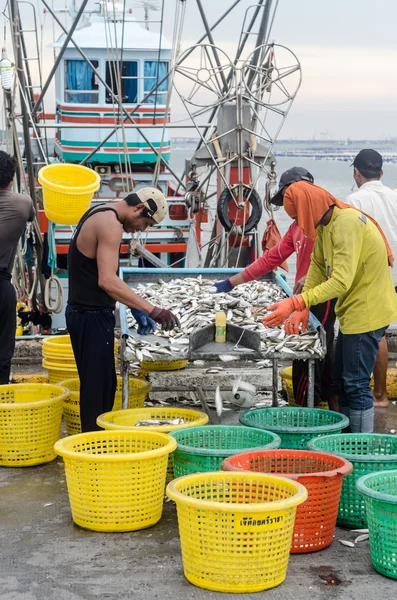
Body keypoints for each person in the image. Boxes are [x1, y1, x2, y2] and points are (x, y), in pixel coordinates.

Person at [263, 180, 397, 433]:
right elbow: (316, 266)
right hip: (352, 312)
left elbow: (340, 281)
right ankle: (348, 438)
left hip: (368, 311)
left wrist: (297, 301)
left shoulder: (346, 224)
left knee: (355, 384)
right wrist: (303, 307)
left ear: (309, 207)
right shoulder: (325, 225)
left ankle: (359, 446)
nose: (300, 225)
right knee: (341, 380)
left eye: (299, 217)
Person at [211, 167, 338, 409]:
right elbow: (271, 258)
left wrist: (306, 299)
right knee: (317, 355)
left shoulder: (325, 223)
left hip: (321, 299)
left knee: (312, 355)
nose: (290, 208)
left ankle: (310, 415)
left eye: (290, 198)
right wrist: (232, 281)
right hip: (302, 299)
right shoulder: (296, 227)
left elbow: (335, 270)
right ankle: (317, 411)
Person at [66, 188, 180, 432]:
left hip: (85, 314)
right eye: (145, 222)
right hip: (90, 316)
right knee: (97, 391)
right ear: (138, 208)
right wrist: (153, 311)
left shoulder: (99, 212)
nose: (142, 229)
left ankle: (93, 445)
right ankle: (91, 451)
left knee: (104, 385)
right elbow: (106, 281)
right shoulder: (111, 225)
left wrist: (132, 305)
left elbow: (103, 274)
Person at [346, 149, 397, 408]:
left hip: (372, 275)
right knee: (381, 332)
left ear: (356, 172)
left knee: (374, 335)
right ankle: (380, 394)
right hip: (394, 272)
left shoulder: (354, 201)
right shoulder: (394, 196)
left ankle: (377, 396)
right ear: (382, 173)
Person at [0, 151, 35, 384]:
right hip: (1, 287)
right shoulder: (24, 203)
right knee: (2, 354)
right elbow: (31, 218)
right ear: (11, 181)